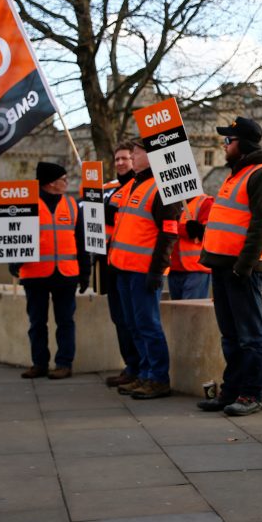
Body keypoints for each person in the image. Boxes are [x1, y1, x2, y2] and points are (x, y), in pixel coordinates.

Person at [197, 116, 262, 417]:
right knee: (230, 336)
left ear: (241, 144)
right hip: (223, 267)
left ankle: (250, 394)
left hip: (241, 270)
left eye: (228, 140)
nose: (223, 145)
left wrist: (242, 267)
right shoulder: (237, 173)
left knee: (250, 336)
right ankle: (230, 390)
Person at [108, 138, 182, 400]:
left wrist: (156, 269)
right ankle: (144, 373)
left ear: (151, 157)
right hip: (124, 269)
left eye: (137, 153)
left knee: (148, 325)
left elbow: (169, 233)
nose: (133, 157)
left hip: (143, 271)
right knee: (134, 324)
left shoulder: (161, 187)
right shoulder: (134, 185)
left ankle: (158, 378)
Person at [12, 162, 90, 380]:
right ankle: (39, 364)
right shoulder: (26, 204)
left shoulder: (73, 206)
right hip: (34, 274)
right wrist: (13, 262)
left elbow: (81, 242)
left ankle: (64, 364)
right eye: (63, 179)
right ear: (50, 183)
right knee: (37, 323)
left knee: (65, 321)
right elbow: (15, 236)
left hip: (66, 274)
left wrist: (85, 273)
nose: (66, 182)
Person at [100, 141, 141, 388]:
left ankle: (139, 367)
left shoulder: (139, 188)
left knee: (134, 320)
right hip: (109, 262)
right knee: (119, 318)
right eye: (117, 159)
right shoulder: (106, 189)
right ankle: (130, 365)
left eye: (125, 158)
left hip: (132, 264)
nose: (121, 163)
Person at [168, 192, 214, 300]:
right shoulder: (171, 202)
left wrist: (197, 230)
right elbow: (164, 227)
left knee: (192, 314)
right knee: (179, 314)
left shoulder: (205, 202)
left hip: (196, 270)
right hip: (174, 268)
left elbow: (210, 231)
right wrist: (185, 230)